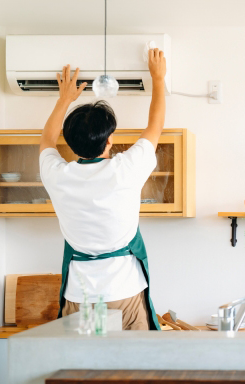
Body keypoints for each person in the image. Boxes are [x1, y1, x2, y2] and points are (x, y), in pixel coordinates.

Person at [38, 49, 167, 330]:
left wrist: (64, 99)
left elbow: (46, 139)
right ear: (110, 140)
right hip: (125, 293)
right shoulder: (125, 170)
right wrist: (158, 78)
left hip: (79, 295)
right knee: (133, 370)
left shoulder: (58, 175)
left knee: (87, 370)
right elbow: (155, 126)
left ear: (70, 144)